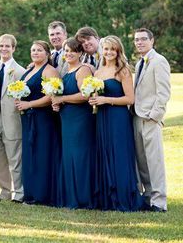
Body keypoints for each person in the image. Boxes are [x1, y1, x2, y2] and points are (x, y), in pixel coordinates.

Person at [89, 35, 143, 211]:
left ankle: (122, 197)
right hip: (101, 118)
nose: (109, 52)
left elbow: (130, 99)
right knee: (104, 152)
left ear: (118, 51)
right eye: (106, 49)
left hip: (118, 118)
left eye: (113, 49)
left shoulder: (123, 71)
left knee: (118, 154)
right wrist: (94, 99)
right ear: (101, 51)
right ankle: (107, 198)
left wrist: (106, 99)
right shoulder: (98, 72)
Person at [51, 38, 96, 209]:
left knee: (80, 156)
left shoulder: (83, 70)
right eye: (66, 50)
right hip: (67, 118)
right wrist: (57, 103)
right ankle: (71, 195)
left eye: (72, 51)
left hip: (80, 119)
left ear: (80, 53)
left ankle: (83, 197)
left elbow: (85, 95)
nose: (68, 53)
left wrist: (62, 98)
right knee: (69, 155)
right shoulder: (66, 71)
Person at [15, 41, 61, 206]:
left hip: (43, 119)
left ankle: (43, 195)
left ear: (47, 53)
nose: (35, 53)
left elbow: (51, 96)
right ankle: (31, 193)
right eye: (33, 50)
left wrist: (29, 104)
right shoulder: (29, 70)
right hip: (27, 118)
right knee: (30, 155)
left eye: (39, 50)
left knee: (42, 154)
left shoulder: (50, 71)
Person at [132, 28, 171, 212]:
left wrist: (154, 117)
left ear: (152, 40)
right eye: (136, 40)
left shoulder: (159, 61)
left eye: (143, 39)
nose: (139, 42)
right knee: (142, 161)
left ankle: (159, 202)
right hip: (137, 117)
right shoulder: (140, 62)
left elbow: (163, 93)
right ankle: (148, 197)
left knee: (154, 161)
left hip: (149, 119)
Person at [0, 34, 26, 202]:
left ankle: (19, 192)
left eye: (7, 46)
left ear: (13, 48)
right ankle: (5, 191)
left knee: (15, 158)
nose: (4, 49)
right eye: (1, 46)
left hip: (12, 120)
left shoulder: (20, 72)